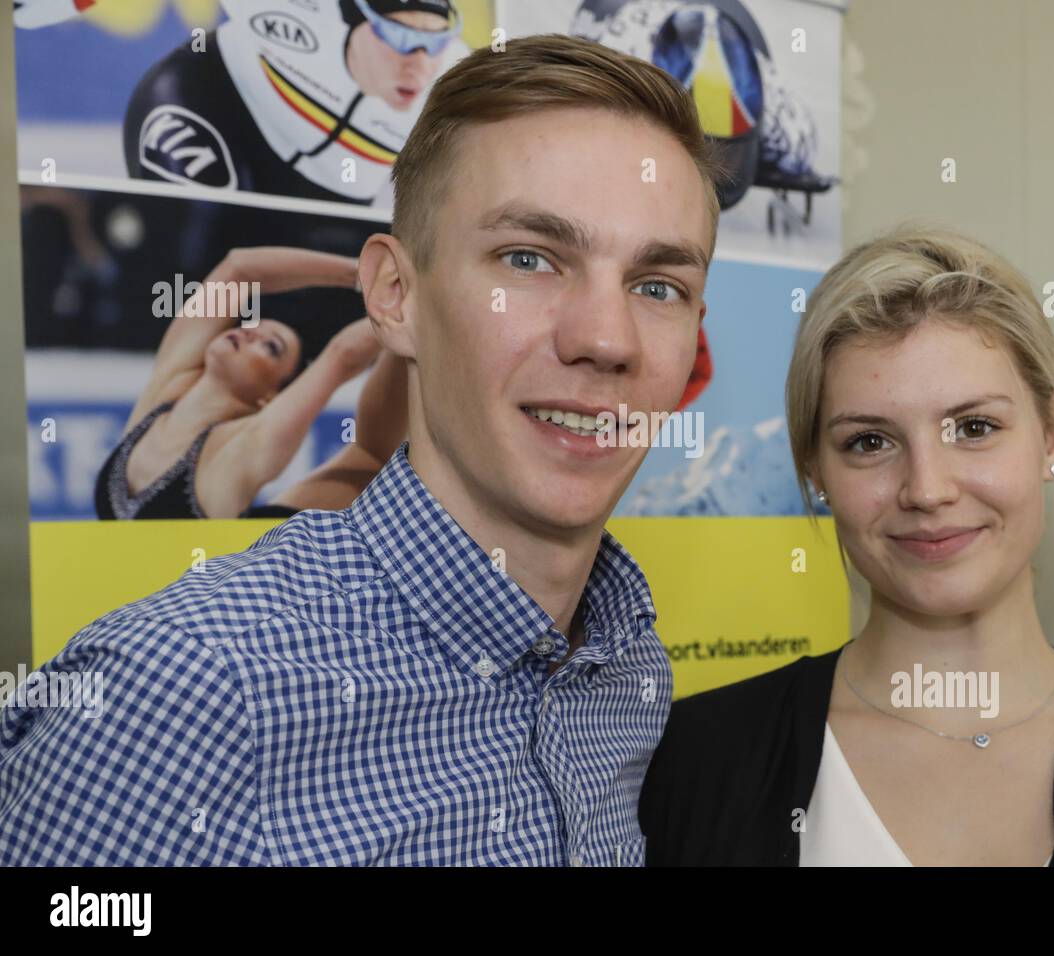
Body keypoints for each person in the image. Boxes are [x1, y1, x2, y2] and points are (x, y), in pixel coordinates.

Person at [0, 33, 722, 865]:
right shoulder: (175, 694)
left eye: (658, 285)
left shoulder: (626, 664)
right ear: (393, 295)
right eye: (528, 259)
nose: (607, 339)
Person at [638, 224, 1054, 866]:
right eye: (869, 442)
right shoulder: (699, 764)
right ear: (815, 470)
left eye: (974, 427)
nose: (927, 489)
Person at [92, 245, 393, 520]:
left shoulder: (238, 448)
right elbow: (238, 268)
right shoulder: (166, 391)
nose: (251, 333)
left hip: (221, 571)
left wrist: (404, 301)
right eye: (252, 324)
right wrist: (360, 274)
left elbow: (342, 356)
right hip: (124, 577)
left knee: (367, 459)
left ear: (270, 397)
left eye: (271, 347)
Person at [123, 0, 468, 202]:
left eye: (436, 41)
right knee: (194, 250)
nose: (420, 64)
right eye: (399, 35)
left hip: (325, 187)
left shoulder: (454, 76)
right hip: (213, 105)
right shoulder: (299, 11)